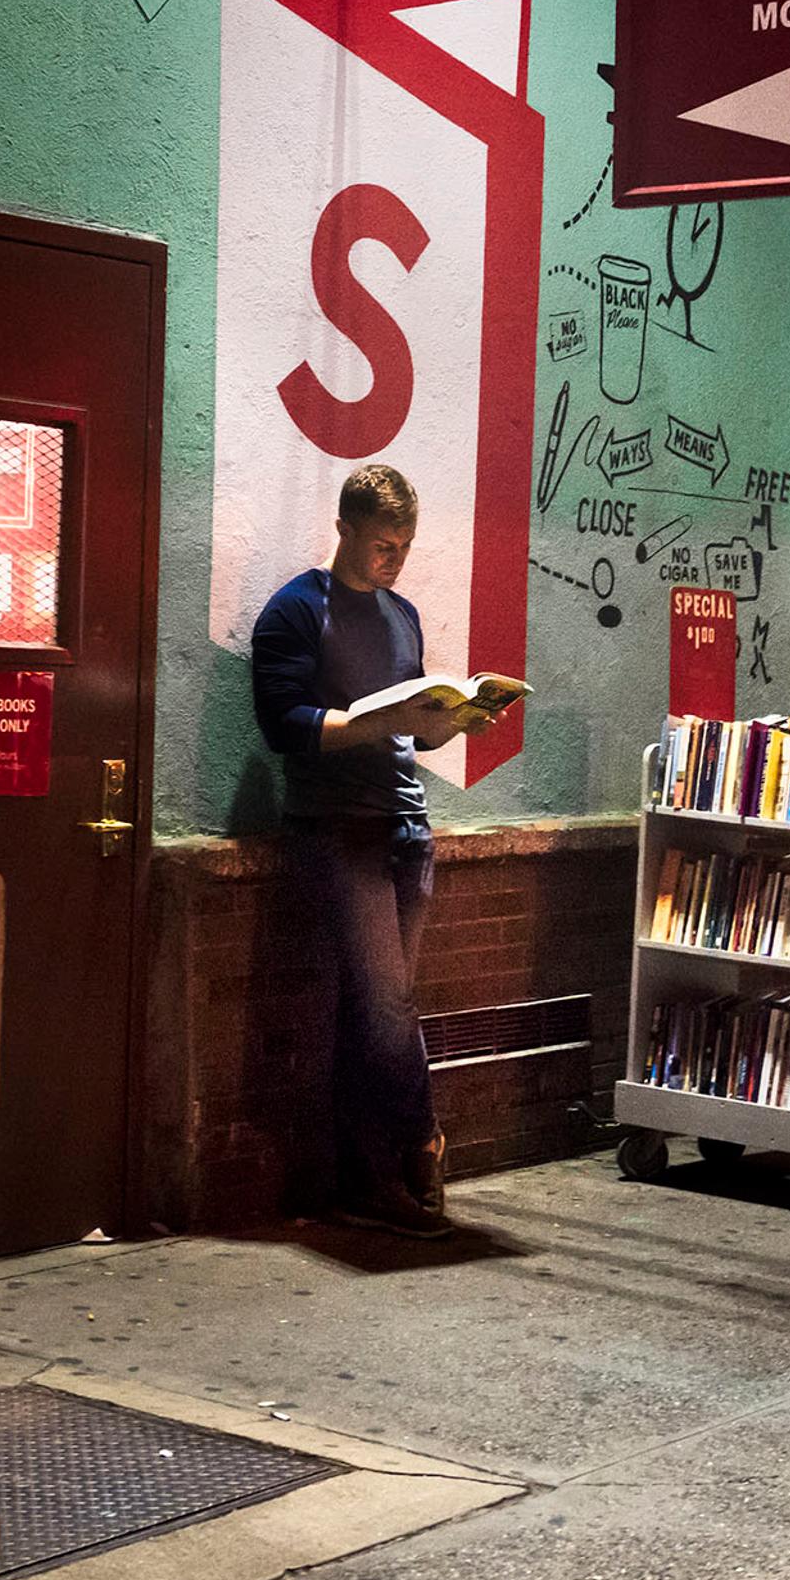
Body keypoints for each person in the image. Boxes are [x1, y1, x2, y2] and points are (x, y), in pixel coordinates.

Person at [247, 464, 470, 1239]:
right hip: (337, 829)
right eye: (382, 545)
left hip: (407, 825)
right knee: (387, 1003)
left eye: (404, 546)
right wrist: (377, 724)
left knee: (369, 1011)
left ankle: (361, 1180)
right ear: (343, 528)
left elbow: (410, 724)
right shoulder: (295, 611)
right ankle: (420, 1141)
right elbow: (284, 727)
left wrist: (450, 722)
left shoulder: (403, 616)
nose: (395, 561)